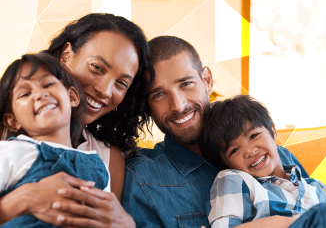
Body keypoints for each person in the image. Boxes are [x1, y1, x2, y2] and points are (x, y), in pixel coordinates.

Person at [122, 36, 309, 227]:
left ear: (207, 80)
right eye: (159, 94)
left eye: (186, 84)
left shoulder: (276, 155)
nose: (178, 105)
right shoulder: (141, 180)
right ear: (147, 105)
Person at [0, 13, 153, 227]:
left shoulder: (108, 159)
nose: (105, 90)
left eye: (121, 83)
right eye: (97, 68)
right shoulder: (8, 140)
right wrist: (22, 199)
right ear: (66, 56)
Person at [201, 95, 326, 228]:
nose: (249, 151)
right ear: (225, 162)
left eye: (253, 136)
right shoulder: (234, 179)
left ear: (273, 131)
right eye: (234, 150)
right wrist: (288, 222)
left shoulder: (318, 189)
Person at [0, 53, 112, 227]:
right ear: (13, 121)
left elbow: (108, 218)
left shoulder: (99, 166)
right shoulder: (11, 152)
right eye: (25, 94)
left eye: (48, 84)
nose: (39, 94)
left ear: (72, 97)